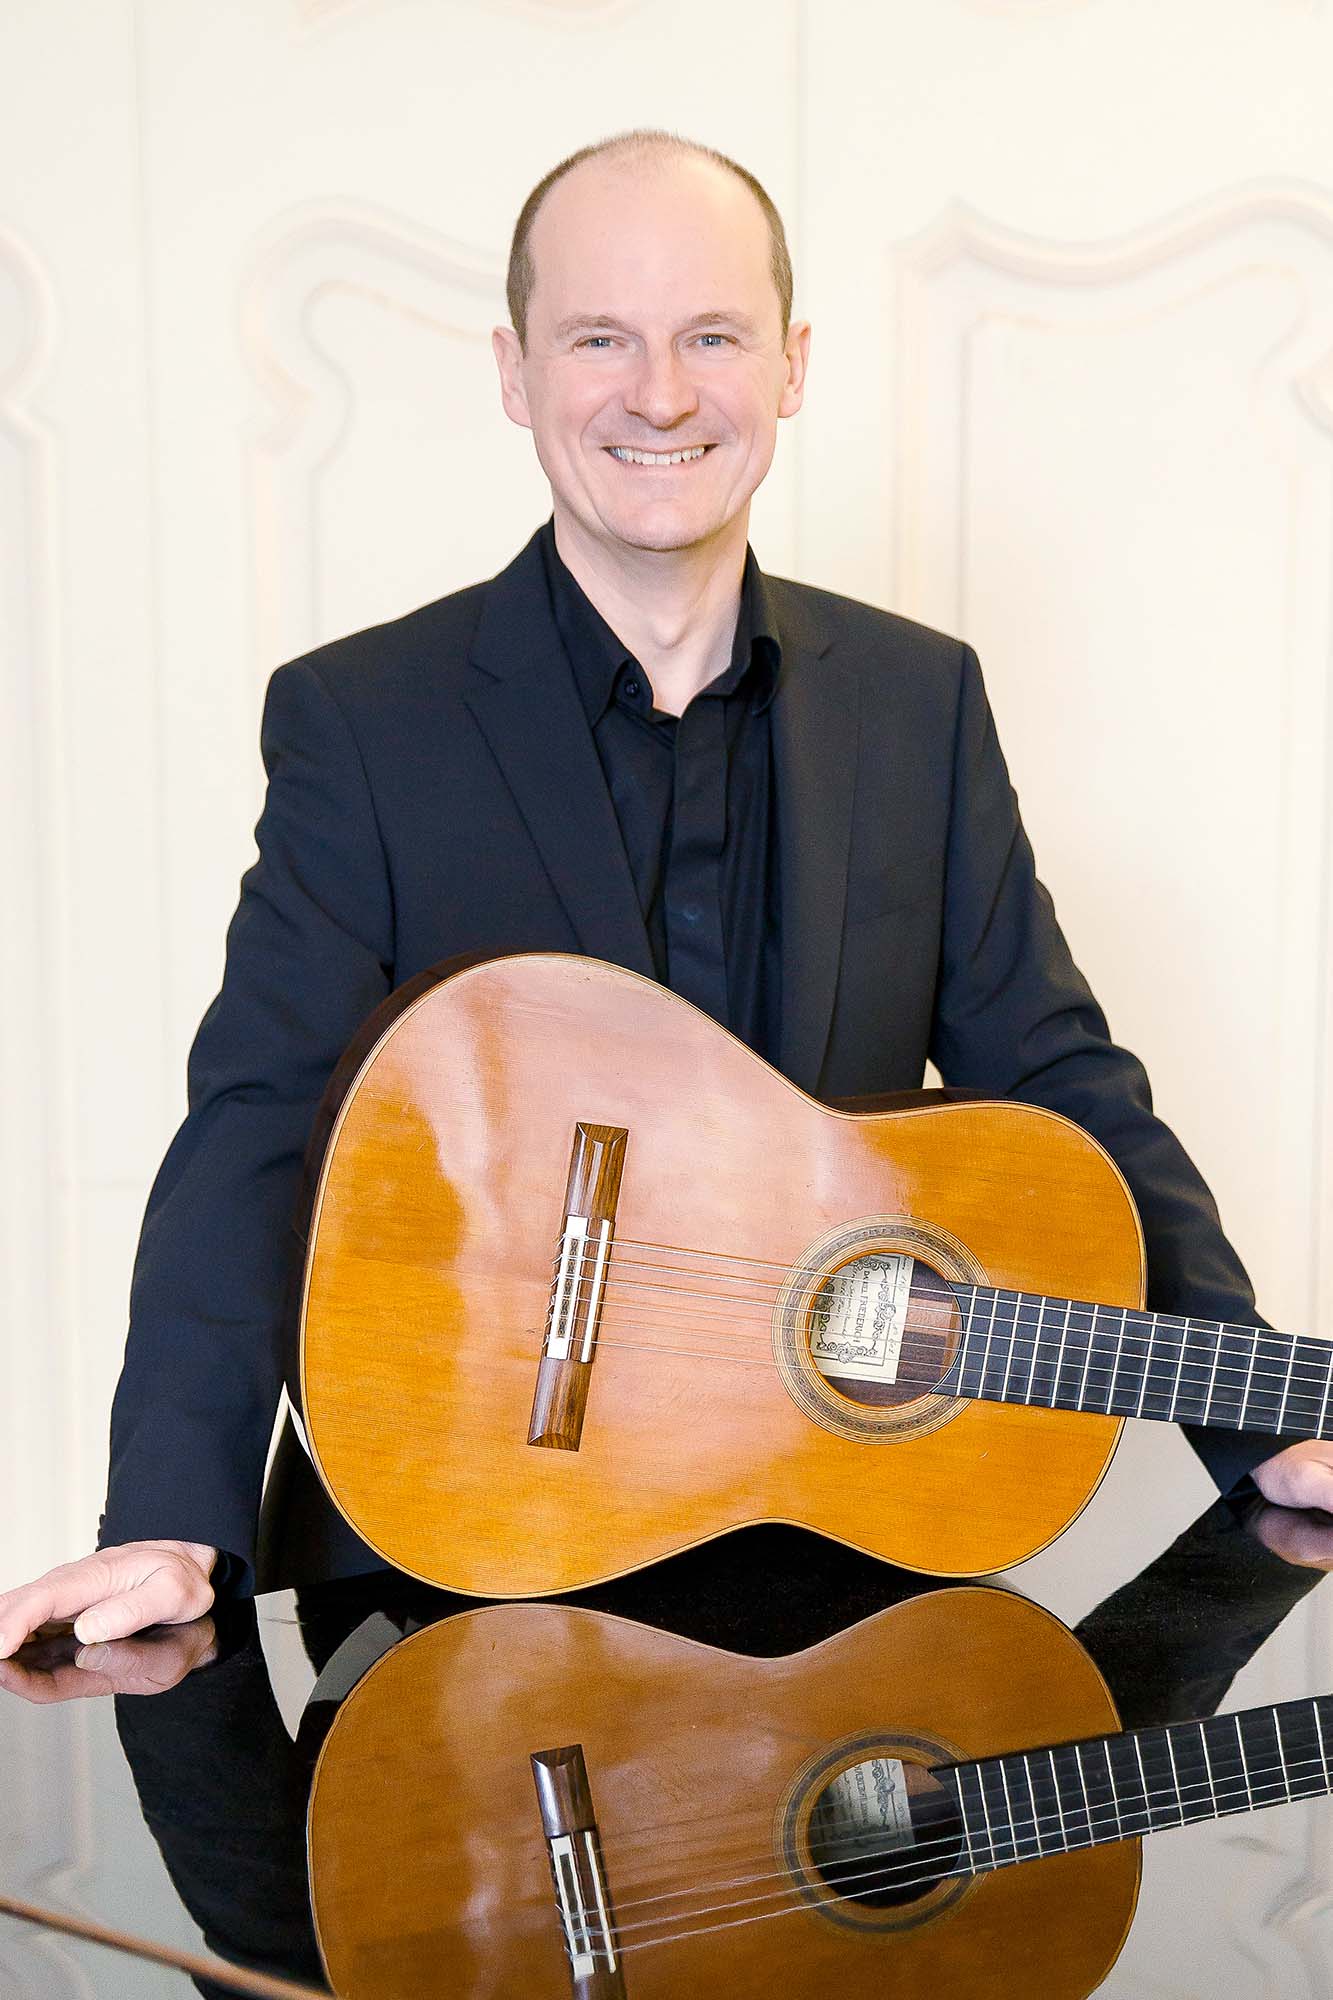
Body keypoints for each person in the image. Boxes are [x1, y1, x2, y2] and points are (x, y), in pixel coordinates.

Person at [1, 128, 1330, 1663]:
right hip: (448, 1573)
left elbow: (1056, 1078)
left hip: (833, 1582)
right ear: (514, 372)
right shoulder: (366, 722)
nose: (659, 394)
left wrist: (1262, 1417)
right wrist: (170, 1516)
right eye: (598, 339)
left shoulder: (916, 702)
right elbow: (254, 1123)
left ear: (790, 365)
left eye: (711, 336)